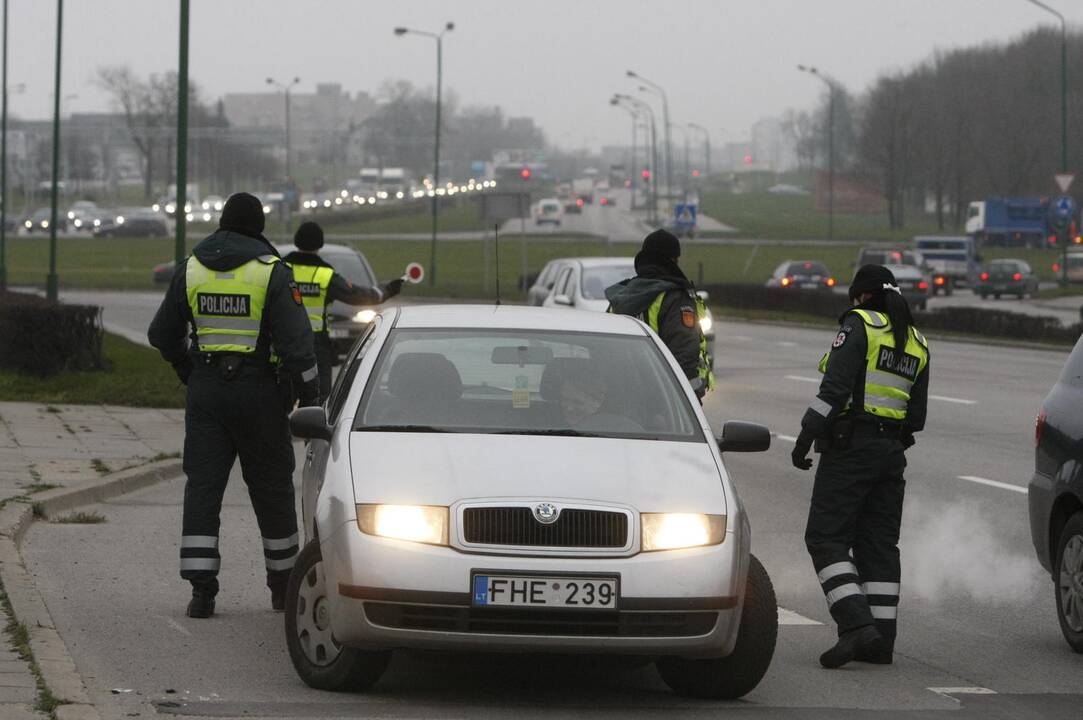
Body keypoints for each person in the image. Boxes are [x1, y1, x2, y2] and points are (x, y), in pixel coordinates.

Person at [148, 192, 319, 619]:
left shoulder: (191, 268)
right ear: (258, 228)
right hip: (260, 393)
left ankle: (201, 592)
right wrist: (310, 396)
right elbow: (298, 344)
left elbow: (161, 333)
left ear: (222, 224)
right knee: (273, 489)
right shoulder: (271, 272)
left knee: (203, 488)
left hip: (206, 392)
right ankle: (283, 588)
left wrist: (185, 366)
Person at [791, 264, 930, 669]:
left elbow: (833, 390)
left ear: (863, 296)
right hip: (891, 454)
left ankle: (854, 624)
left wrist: (804, 439)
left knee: (825, 537)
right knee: (878, 547)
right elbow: (916, 417)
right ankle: (881, 642)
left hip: (851, 449)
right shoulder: (918, 340)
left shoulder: (859, 326)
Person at [282, 221, 404, 403]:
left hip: (285, 345)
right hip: (315, 349)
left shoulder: (281, 270)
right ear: (319, 245)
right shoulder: (325, 276)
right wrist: (386, 290)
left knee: (282, 400)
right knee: (317, 404)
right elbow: (358, 295)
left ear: (297, 242)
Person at [604, 229, 715, 398]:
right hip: (663, 400)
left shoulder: (619, 299)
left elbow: (605, 352)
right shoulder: (674, 298)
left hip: (620, 395)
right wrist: (687, 401)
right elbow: (684, 354)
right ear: (671, 261)